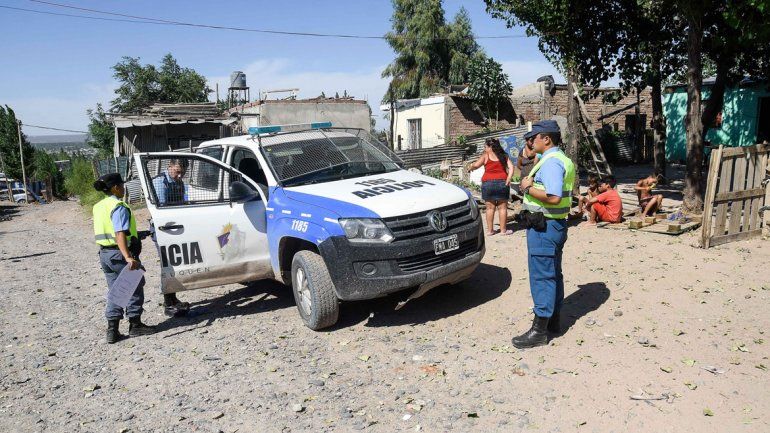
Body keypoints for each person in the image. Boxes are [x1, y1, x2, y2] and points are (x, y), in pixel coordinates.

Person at [513, 120, 576, 349]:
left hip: (544, 227)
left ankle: (539, 330)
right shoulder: (557, 159)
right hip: (554, 225)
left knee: (541, 276)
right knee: (553, 273)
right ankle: (553, 322)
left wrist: (527, 187)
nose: (531, 141)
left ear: (546, 139)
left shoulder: (551, 163)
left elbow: (553, 197)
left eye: (535, 137)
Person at [93, 173, 156, 344]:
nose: (123, 188)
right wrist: (128, 256)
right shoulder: (118, 205)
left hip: (105, 254)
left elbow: (110, 230)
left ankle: (112, 330)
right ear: (115, 187)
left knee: (116, 290)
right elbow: (119, 232)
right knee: (134, 284)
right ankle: (135, 325)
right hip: (119, 253)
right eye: (121, 185)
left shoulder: (99, 206)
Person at [151, 159, 191, 317]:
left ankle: (173, 298)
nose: (180, 175)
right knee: (168, 266)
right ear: (169, 167)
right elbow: (161, 210)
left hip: (176, 227)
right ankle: (168, 303)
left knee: (175, 264)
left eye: (182, 172)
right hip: (164, 229)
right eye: (177, 171)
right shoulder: (161, 183)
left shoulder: (179, 182)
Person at [467, 138, 515, 235]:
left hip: (488, 183)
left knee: (489, 208)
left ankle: (490, 231)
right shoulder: (504, 156)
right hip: (503, 182)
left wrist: (470, 167)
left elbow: (476, 165)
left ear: (490, 147)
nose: (484, 149)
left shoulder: (485, 155)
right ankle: (503, 230)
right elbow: (511, 167)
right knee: (502, 208)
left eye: (485, 147)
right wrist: (509, 178)